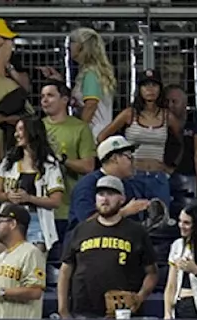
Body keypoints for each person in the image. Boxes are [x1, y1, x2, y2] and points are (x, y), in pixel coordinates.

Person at [59, 175, 157, 319]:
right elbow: (65, 271)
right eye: (101, 194)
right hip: (83, 311)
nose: (104, 199)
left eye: (111, 194)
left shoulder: (136, 232)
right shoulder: (81, 229)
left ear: (122, 199)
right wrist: (63, 310)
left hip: (123, 313)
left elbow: (152, 273)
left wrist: (140, 297)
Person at [98, 69, 180, 210]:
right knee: (132, 216)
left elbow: (180, 142)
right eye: (145, 85)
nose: (150, 90)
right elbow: (102, 137)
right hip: (133, 175)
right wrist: (115, 160)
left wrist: (171, 167)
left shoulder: (168, 117)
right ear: (139, 89)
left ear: (160, 89)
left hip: (158, 176)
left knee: (161, 220)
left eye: (154, 85)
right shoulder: (129, 114)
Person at [0, 118, 65, 253]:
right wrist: (8, 196)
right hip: (8, 221)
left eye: (20, 130)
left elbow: (56, 201)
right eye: (16, 130)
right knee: (4, 269)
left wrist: (29, 198)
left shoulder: (49, 165)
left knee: (32, 270)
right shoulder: (8, 162)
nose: (16, 134)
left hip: (36, 223)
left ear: (32, 132)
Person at [41, 81, 98, 238]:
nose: (45, 100)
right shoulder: (36, 127)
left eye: (50, 95)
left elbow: (88, 166)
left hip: (69, 207)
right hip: (42, 208)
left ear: (65, 100)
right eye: (43, 96)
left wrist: (62, 160)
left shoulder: (80, 128)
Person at [0, 204, 46, 319]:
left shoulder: (31, 252)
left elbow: (35, 292)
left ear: (13, 224)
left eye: (0, 221)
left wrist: (0, 291)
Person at [69, 136, 152, 226]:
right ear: (115, 158)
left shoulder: (126, 184)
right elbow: (87, 222)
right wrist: (124, 212)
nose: (133, 162)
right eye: (129, 157)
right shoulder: (88, 184)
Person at [68, 27, 117, 140]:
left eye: (72, 42)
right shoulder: (94, 72)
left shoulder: (91, 74)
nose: (69, 46)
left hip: (92, 134)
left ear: (80, 46)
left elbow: (91, 105)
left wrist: (79, 132)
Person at [164, 205, 197, 320]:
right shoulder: (177, 245)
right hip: (180, 307)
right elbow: (171, 285)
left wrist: (196, 270)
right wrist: (167, 313)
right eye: (180, 221)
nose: (181, 226)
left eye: (187, 223)